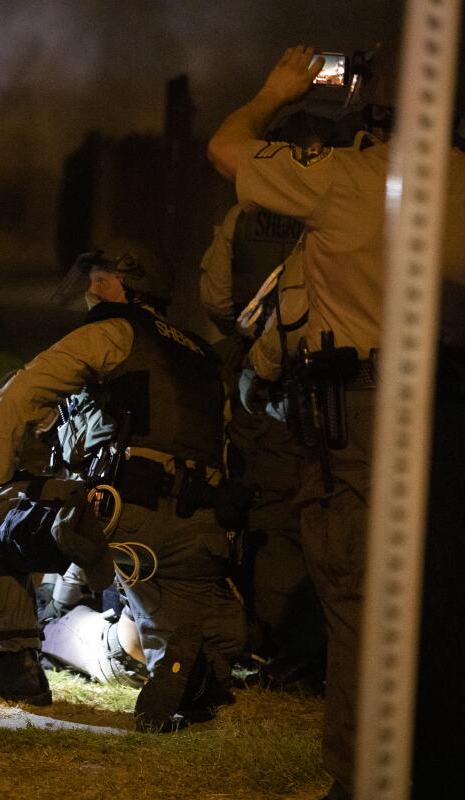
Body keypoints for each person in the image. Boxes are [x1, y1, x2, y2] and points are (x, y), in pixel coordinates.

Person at [208, 44, 465, 799]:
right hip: (454, 413)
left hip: (367, 418)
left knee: (361, 599)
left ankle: (363, 780)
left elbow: (226, 148)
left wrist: (276, 91)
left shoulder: (351, 179)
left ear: (373, 105)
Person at [0, 242, 246, 731]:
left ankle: (16, 667)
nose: (93, 284)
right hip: (201, 532)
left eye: (105, 276)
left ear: (135, 287)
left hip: (125, 515)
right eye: (91, 274)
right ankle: (190, 673)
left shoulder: (113, 332)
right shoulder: (200, 353)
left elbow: (20, 395)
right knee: (151, 643)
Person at [200, 194, 325, 689]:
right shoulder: (338, 204)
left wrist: (247, 344)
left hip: (265, 364)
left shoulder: (244, 214)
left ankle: (275, 643)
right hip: (321, 368)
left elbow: (215, 292)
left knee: (268, 511)